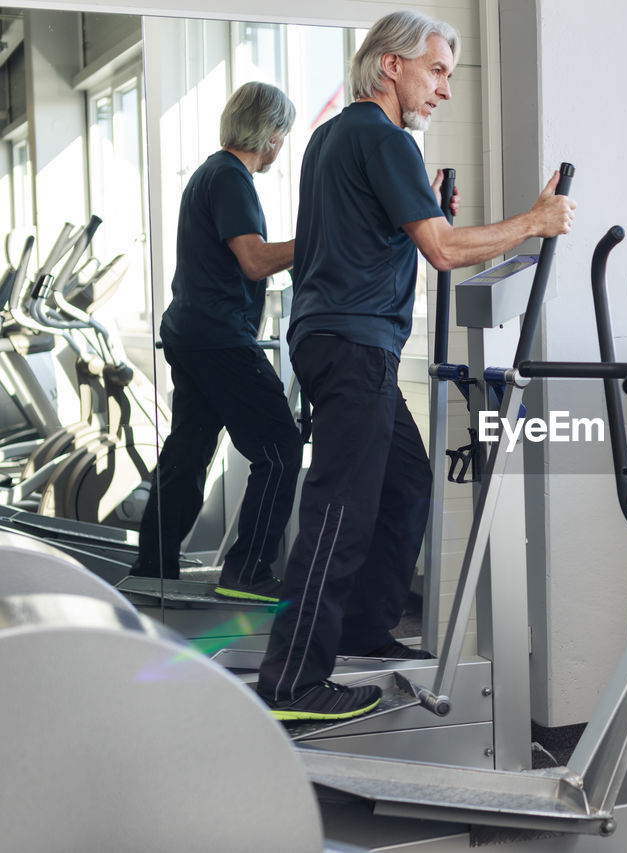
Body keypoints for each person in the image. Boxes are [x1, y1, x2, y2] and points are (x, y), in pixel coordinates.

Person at [255, 11, 575, 722]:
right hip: (354, 344)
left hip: (330, 337)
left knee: (404, 486)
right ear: (391, 65)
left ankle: (362, 634)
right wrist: (534, 220)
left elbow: (362, 239)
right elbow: (444, 249)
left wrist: (425, 204)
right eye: (437, 72)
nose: (446, 91)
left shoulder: (334, 137)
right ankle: (292, 682)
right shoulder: (385, 136)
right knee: (340, 512)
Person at [132, 82, 302, 605]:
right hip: (218, 337)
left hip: (190, 331)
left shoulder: (210, 173)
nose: (281, 145)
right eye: (282, 133)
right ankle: (247, 571)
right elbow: (254, 261)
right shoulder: (231, 178)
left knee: (188, 450)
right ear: (268, 132)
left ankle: (151, 569)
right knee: (280, 450)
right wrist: (321, 237)